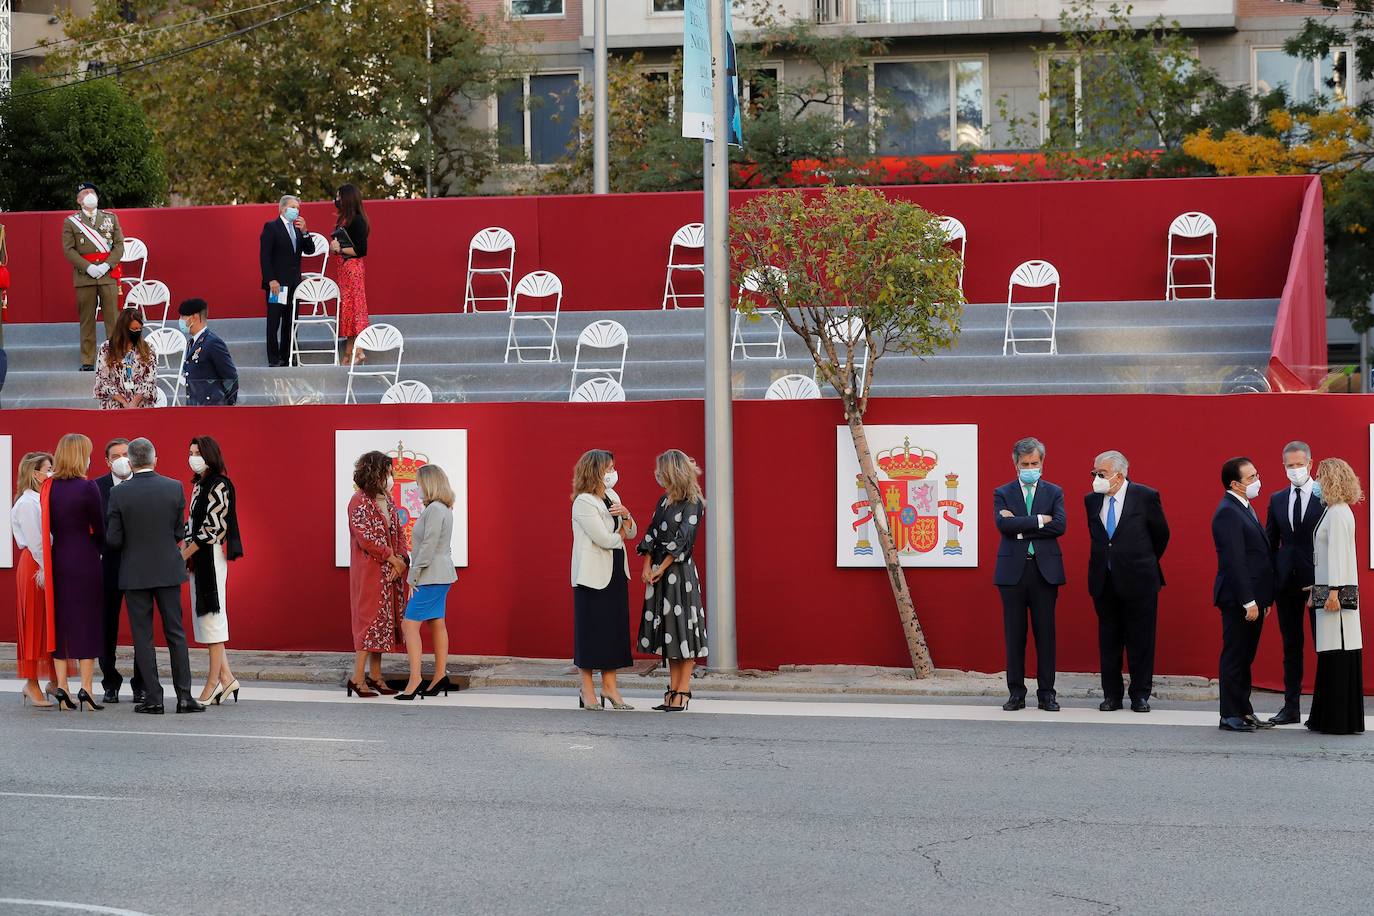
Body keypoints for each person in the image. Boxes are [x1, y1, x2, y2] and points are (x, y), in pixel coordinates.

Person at [105, 437, 204, 715]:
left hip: (135, 572)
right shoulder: (173, 488)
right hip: (168, 568)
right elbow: (177, 533)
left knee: (143, 637)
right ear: (154, 459)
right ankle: (184, 697)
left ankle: (154, 698)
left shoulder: (119, 493)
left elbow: (113, 539)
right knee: (176, 634)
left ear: (131, 463)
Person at [1084, 450, 1169, 713]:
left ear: (1119, 476)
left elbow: (1161, 535)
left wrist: (1139, 561)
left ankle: (1140, 695)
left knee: (1141, 640)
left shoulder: (1145, 496)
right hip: (1104, 580)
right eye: (1094, 473)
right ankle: (1112, 695)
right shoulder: (1091, 501)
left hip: (1139, 580)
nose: (1097, 478)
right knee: (1109, 640)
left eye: (1102, 474)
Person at [992, 436, 1066, 712]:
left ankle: (1047, 694)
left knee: (1046, 634)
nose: (1030, 467)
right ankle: (1016, 693)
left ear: (1042, 462)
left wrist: (1020, 525)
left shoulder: (1054, 492)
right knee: (1015, 635)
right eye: (1025, 464)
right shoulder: (1003, 492)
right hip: (1012, 573)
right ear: (1016, 464)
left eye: (1035, 462)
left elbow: (1059, 526)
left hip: (1045, 572)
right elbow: (1003, 525)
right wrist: (1038, 521)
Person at [40, 434, 106, 711]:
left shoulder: (48, 487)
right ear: (81, 455)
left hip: (59, 558)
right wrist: (97, 548)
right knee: (87, 622)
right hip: (85, 559)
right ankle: (87, 690)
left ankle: (63, 688)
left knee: (60, 621)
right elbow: (100, 528)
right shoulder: (88, 487)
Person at [637, 450, 707, 712]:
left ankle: (683, 690)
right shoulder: (664, 501)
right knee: (670, 635)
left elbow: (683, 542)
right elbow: (651, 533)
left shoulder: (693, 503)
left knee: (683, 632)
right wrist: (647, 565)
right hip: (662, 574)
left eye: (661, 470)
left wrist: (660, 568)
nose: (657, 475)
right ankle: (673, 688)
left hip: (680, 576)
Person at [1211, 457, 1276, 733]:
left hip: (1255, 599)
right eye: (1251, 478)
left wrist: (1265, 599)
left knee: (1246, 657)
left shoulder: (1245, 507)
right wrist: (1248, 600)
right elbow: (1234, 560)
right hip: (1239, 599)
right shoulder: (1227, 511)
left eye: (1256, 475)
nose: (1256, 481)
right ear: (1235, 484)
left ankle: (1244, 710)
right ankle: (1229, 714)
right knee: (1235, 656)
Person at [570, 449, 637, 711]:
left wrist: (628, 516)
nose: (612, 473)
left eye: (613, 468)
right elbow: (605, 539)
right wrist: (622, 529)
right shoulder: (584, 502)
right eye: (608, 468)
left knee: (614, 632)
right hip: (591, 576)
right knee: (591, 632)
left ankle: (610, 687)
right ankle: (587, 690)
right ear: (595, 470)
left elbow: (631, 532)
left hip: (616, 571)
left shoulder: (612, 496)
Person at [1263, 441, 1323, 725]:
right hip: (1285, 583)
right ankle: (1291, 707)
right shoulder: (1276, 499)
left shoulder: (1325, 495)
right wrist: (1270, 581)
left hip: (1317, 583)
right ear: (1283, 466)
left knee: (1323, 645)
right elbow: (1270, 543)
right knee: (1291, 646)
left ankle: (1323, 708)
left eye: (1300, 464)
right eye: (1290, 465)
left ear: (1310, 463)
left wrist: (1325, 580)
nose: (1295, 470)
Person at [182, 436, 244, 705]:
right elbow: (191, 524)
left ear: (209, 455)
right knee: (207, 620)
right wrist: (183, 551)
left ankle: (213, 683)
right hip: (199, 557)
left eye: (198, 452)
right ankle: (228, 679)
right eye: (191, 452)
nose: (193, 456)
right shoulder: (199, 485)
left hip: (210, 557)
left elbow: (213, 528)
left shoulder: (219, 484)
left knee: (213, 618)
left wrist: (184, 553)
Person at [1306, 458, 1364, 735]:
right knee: (1332, 654)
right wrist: (1318, 589)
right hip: (1329, 591)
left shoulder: (1338, 512)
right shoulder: (1334, 510)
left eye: (1318, 476)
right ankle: (1328, 717)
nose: (1315, 481)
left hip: (1336, 599)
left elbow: (1339, 555)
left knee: (1337, 652)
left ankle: (1337, 720)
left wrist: (1333, 592)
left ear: (1329, 479)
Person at [346, 450, 408, 698]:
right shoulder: (358, 501)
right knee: (368, 622)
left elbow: (400, 533)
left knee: (383, 625)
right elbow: (365, 538)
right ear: (374, 473)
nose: (390, 476)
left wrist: (401, 560)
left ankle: (376, 676)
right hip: (370, 572)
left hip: (390, 572)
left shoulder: (388, 499)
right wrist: (391, 558)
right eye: (387, 471)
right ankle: (357, 678)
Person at [396, 464, 458, 702]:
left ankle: (415, 680)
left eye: (419, 482)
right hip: (442, 574)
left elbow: (428, 547)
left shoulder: (434, 510)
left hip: (430, 575)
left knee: (409, 626)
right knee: (436, 623)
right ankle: (440, 676)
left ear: (429, 483)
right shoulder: (445, 508)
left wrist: (413, 576)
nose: (417, 487)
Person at [94, 437, 143, 704]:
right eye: (116, 455)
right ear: (107, 461)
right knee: (106, 628)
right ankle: (110, 683)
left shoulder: (143, 483)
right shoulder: (97, 487)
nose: (122, 459)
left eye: (126, 453)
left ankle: (141, 684)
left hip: (137, 568)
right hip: (108, 568)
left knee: (140, 630)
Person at [61, 183, 124, 371]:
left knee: (113, 318)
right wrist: (88, 267)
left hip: (107, 275)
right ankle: (88, 360)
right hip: (84, 277)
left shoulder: (111, 218)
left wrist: (107, 264)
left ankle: (116, 357)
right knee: (87, 319)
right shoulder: (71, 222)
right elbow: (68, 250)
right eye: (85, 193)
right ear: (78, 200)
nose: (89, 195)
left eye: (92, 192)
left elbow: (119, 245)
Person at [12, 451, 55, 707]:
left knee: (49, 624)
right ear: (34, 473)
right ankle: (31, 683)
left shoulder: (42, 498)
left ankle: (52, 679)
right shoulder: (27, 503)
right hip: (35, 565)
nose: (50, 473)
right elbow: (37, 542)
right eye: (47, 468)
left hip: (45, 562)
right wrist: (47, 569)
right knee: (34, 624)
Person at [259, 194, 317, 368]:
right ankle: (274, 359)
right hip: (277, 285)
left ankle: (288, 357)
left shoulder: (298, 229)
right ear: (283, 209)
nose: (296, 211)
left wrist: (305, 231)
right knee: (274, 321)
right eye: (293, 207)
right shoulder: (271, 227)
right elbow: (265, 257)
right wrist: (271, 280)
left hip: (294, 285)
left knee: (290, 321)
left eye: (298, 208)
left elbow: (310, 249)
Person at [330, 184, 371, 365]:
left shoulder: (358, 221)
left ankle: (357, 349)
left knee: (355, 307)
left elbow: (361, 249)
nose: (336, 200)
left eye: (339, 197)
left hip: (352, 269)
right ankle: (350, 349)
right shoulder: (345, 220)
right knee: (347, 308)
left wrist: (339, 249)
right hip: (344, 270)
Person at [93, 308, 157, 410]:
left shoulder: (148, 348)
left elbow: (150, 379)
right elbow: (102, 379)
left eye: (139, 329)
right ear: (123, 329)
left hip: (141, 406)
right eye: (133, 329)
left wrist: (134, 402)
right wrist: (124, 403)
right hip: (113, 405)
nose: (137, 332)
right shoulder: (106, 348)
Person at [178, 299, 239, 406]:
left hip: (212, 408)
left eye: (183, 316)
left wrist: (228, 405)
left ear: (194, 317)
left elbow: (230, 377)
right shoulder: (192, 343)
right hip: (196, 406)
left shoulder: (212, 342)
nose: (180, 320)